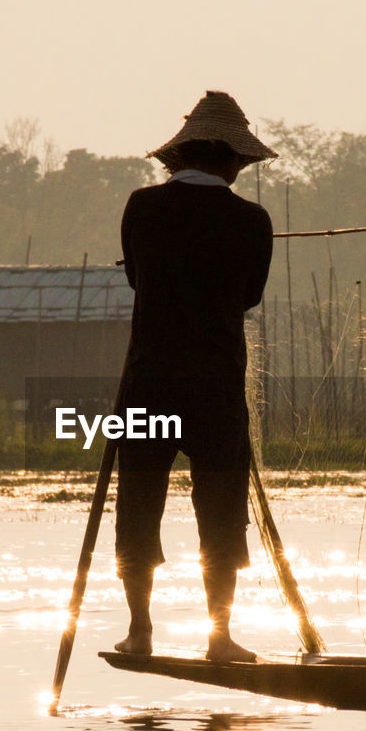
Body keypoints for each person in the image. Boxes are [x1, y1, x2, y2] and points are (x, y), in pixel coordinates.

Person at [114, 91, 277, 662]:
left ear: (181, 156)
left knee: (138, 505)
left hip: (150, 383)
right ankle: (220, 637)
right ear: (233, 161)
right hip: (216, 390)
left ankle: (140, 631)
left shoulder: (142, 208)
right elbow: (249, 297)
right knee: (222, 510)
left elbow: (137, 279)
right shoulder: (252, 222)